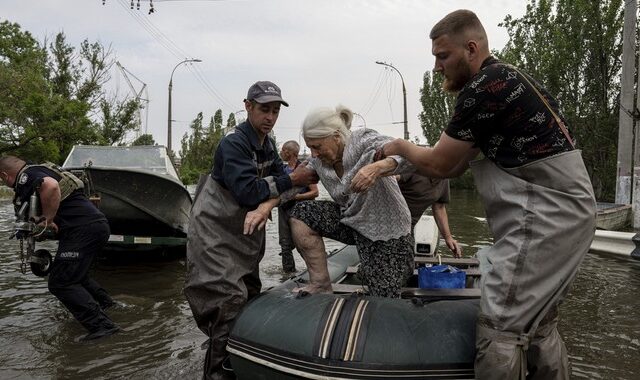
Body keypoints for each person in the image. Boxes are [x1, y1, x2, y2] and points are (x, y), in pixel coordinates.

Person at [377, 10, 596, 379]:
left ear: (472, 48)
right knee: (539, 321)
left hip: (545, 218)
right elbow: (460, 163)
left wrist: (398, 145)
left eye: (443, 56)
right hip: (570, 213)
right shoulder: (508, 80)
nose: (437, 67)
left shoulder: (484, 87)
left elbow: (442, 165)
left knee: (500, 325)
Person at [183, 81, 318, 380]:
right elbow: (247, 192)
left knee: (249, 297)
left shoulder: (267, 143)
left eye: (274, 111)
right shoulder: (234, 142)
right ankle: (217, 374)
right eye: (263, 109)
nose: (270, 117)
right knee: (226, 304)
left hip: (243, 233)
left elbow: (276, 183)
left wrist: (287, 182)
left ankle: (237, 362)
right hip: (214, 234)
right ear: (247, 107)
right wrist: (291, 180)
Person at [286, 105, 415, 298]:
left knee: (382, 300)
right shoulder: (319, 162)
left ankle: (374, 271)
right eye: (310, 147)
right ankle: (320, 284)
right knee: (301, 213)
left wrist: (377, 168)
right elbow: (292, 184)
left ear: (336, 136)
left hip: (387, 232)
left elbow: (410, 156)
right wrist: (264, 208)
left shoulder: (363, 140)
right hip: (352, 223)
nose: (313, 154)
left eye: (317, 146)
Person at [0, 156, 118, 341]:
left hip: (83, 230)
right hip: (93, 226)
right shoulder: (38, 170)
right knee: (76, 275)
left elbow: (51, 186)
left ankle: (103, 327)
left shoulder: (27, 176)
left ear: (5, 175)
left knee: (61, 282)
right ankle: (108, 305)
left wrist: (48, 218)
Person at [277, 140, 319, 273]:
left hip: (300, 211)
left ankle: (314, 271)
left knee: (303, 244)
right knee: (285, 245)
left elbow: (315, 192)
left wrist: (296, 197)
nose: (281, 152)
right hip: (283, 210)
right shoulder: (281, 170)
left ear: (290, 153)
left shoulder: (304, 169)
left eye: (283, 150)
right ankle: (288, 275)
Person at [397, 173, 461, 257]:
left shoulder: (444, 178)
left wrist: (448, 237)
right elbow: (390, 177)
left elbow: (439, 207)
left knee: (406, 263)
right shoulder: (413, 165)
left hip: (408, 228)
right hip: (386, 223)